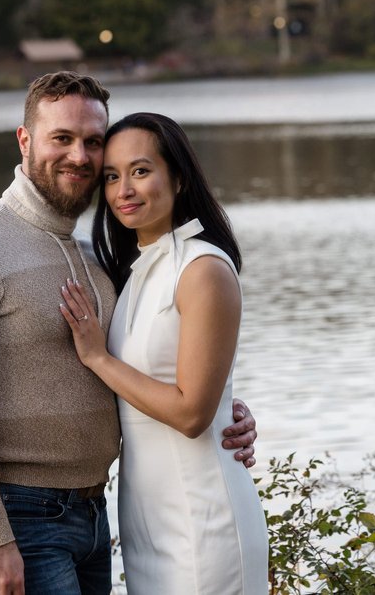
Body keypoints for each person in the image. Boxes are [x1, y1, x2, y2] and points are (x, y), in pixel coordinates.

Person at [0, 72, 259, 595]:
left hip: (98, 515)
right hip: (20, 518)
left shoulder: (98, 258)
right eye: (62, 138)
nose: (79, 156)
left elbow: (165, 359)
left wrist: (224, 413)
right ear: (25, 140)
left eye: (92, 142)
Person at [58, 112, 269, 594]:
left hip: (204, 519)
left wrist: (98, 358)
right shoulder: (133, 274)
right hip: (145, 521)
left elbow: (193, 414)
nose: (123, 190)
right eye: (111, 177)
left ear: (177, 176)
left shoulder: (203, 269)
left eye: (140, 171)